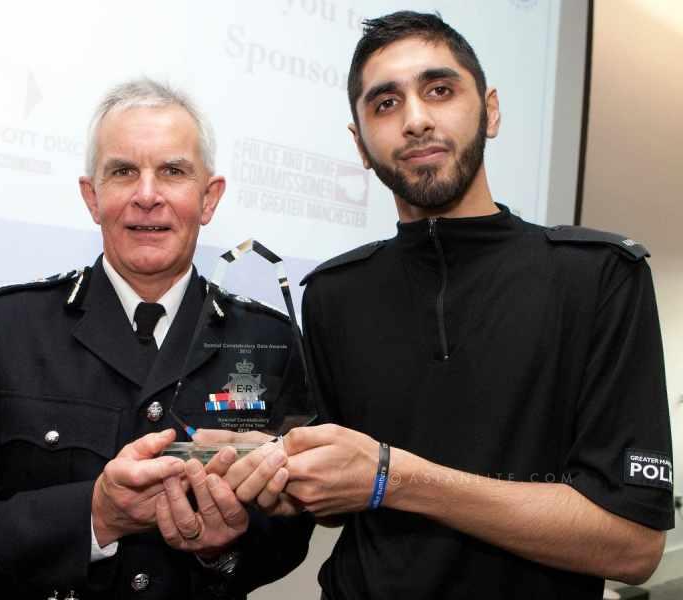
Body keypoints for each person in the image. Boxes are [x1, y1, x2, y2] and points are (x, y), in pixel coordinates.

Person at [241, 11, 674, 600]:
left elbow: (632, 545)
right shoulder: (333, 294)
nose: (416, 120)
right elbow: (336, 506)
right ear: (361, 144)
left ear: (490, 111)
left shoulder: (598, 278)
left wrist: (393, 479)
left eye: (439, 90)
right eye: (385, 103)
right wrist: (271, 468)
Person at [0, 78, 313, 600]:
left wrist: (219, 550)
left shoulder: (267, 339)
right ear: (92, 198)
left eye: (173, 172)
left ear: (209, 199)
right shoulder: (2, 328)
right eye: (122, 172)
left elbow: (292, 530)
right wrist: (94, 517)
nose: (146, 196)